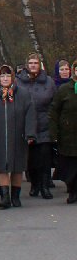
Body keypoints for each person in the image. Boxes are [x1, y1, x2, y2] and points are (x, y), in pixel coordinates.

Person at [0, 65, 36, 207]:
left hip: (18, 136)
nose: (5, 78)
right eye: (2, 76)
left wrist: (30, 133)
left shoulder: (23, 94)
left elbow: (30, 115)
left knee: (17, 166)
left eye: (8, 76)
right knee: (1, 166)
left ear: (12, 77)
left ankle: (15, 196)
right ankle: (5, 197)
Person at [17, 55, 57, 199]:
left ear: (40, 65)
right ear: (27, 65)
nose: (33, 65)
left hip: (45, 123)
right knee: (31, 158)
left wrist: (51, 117)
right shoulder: (19, 81)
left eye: (36, 63)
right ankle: (35, 185)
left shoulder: (49, 81)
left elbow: (55, 102)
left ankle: (45, 186)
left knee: (45, 157)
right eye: (31, 63)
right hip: (27, 124)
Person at [49, 61, 77, 205]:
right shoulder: (64, 90)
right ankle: (72, 190)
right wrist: (54, 133)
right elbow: (54, 111)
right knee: (70, 165)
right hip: (68, 135)